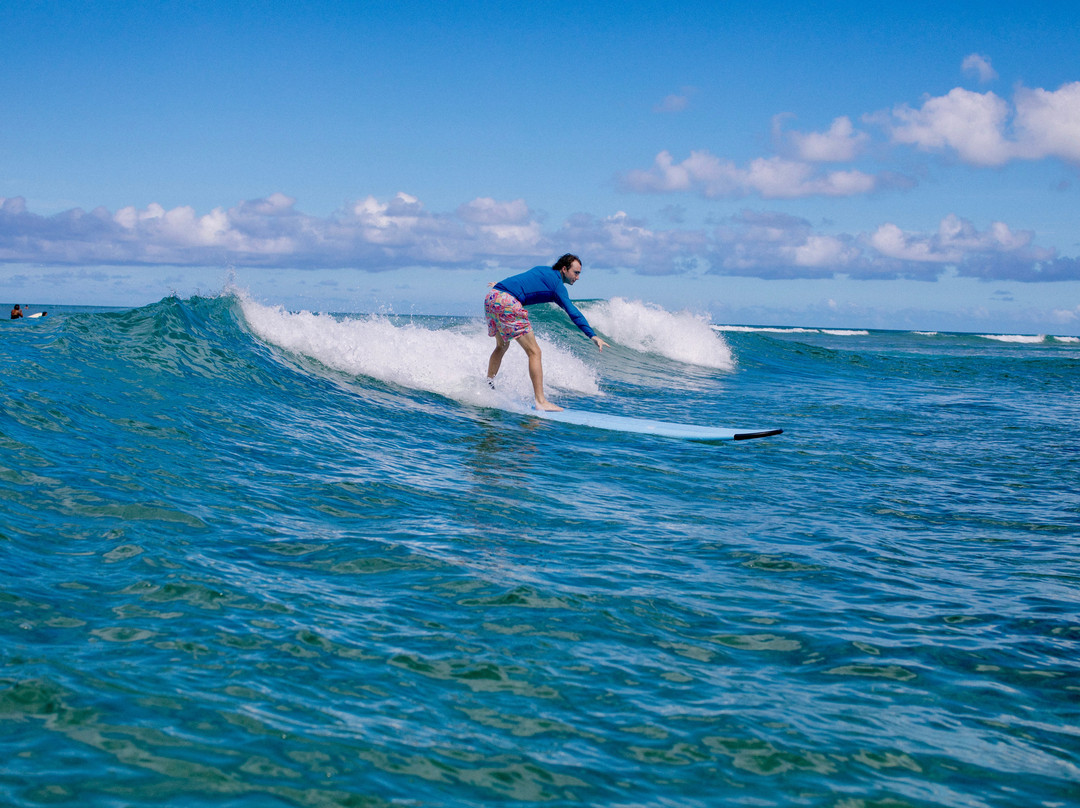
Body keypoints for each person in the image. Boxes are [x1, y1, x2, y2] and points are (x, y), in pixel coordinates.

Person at [484, 253, 609, 411]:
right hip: (507, 301)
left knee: (502, 346)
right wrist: (593, 335)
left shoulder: (543, 269)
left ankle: (488, 386)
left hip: (493, 296)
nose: (577, 277)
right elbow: (573, 312)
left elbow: (523, 279)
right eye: (576, 273)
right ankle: (540, 401)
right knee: (534, 352)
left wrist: (501, 286)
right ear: (564, 269)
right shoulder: (557, 286)